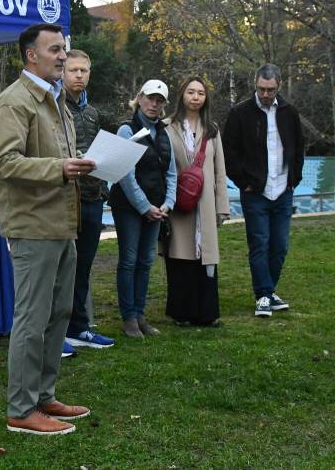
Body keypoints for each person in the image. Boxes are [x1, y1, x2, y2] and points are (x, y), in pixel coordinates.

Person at [0, 22, 95, 436]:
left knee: (59, 314)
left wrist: (84, 162)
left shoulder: (57, 101)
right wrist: (61, 169)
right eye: (55, 50)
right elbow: (6, 164)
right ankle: (20, 409)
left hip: (62, 224)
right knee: (32, 318)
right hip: (33, 227)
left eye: (64, 50)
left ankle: (43, 395)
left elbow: (60, 156)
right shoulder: (14, 102)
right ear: (31, 55)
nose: (63, 57)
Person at [222, 63, 304, 318]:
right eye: (261, 89)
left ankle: (268, 291)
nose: (265, 94)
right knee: (260, 243)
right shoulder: (240, 113)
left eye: (270, 90)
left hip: (283, 188)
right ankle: (263, 296)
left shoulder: (290, 112)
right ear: (255, 85)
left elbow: (299, 148)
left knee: (280, 246)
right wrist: (242, 181)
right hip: (255, 191)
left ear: (278, 85)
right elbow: (229, 152)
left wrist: (294, 179)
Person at [109, 79, 177, 339]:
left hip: (157, 208)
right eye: (150, 98)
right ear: (139, 98)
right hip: (129, 207)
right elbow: (126, 174)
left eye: (159, 100)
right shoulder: (126, 130)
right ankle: (128, 318)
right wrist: (144, 206)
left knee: (146, 261)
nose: (154, 103)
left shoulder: (165, 133)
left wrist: (167, 204)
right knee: (129, 260)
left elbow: (171, 172)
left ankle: (140, 314)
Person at [163, 77, 229, 326]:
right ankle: (182, 312)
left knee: (206, 256)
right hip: (179, 202)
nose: (195, 97)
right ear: (182, 95)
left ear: (205, 98)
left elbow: (219, 170)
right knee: (180, 255)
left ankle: (207, 313)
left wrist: (222, 207)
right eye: (191, 92)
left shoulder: (211, 129)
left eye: (200, 93)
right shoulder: (167, 127)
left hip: (205, 203)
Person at [62, 50, 116, 350]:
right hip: (67, 199)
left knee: (83, 267)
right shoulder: (55, 108)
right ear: (63, 73)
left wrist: (104, 187)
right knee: (62, 269)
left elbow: (101, 153)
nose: (79, 75)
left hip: (93, 198)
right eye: (73, 70)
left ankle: (79, 328)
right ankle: (56, 331)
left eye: (84, 70)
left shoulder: (94, 113)